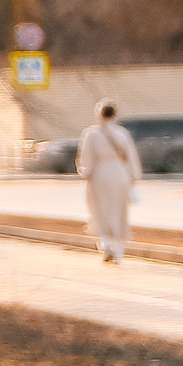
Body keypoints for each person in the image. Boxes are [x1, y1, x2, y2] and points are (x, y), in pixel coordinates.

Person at [79, 100, 142, 264]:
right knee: (120, 211)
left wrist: (86, 173)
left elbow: (86, 159)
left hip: (100, 174)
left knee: (101, 210)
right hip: (120, 174)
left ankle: (106, 245)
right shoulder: (122, 133)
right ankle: (119, 251)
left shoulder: (91, 134)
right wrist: (133, 176)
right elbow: (131, 157)